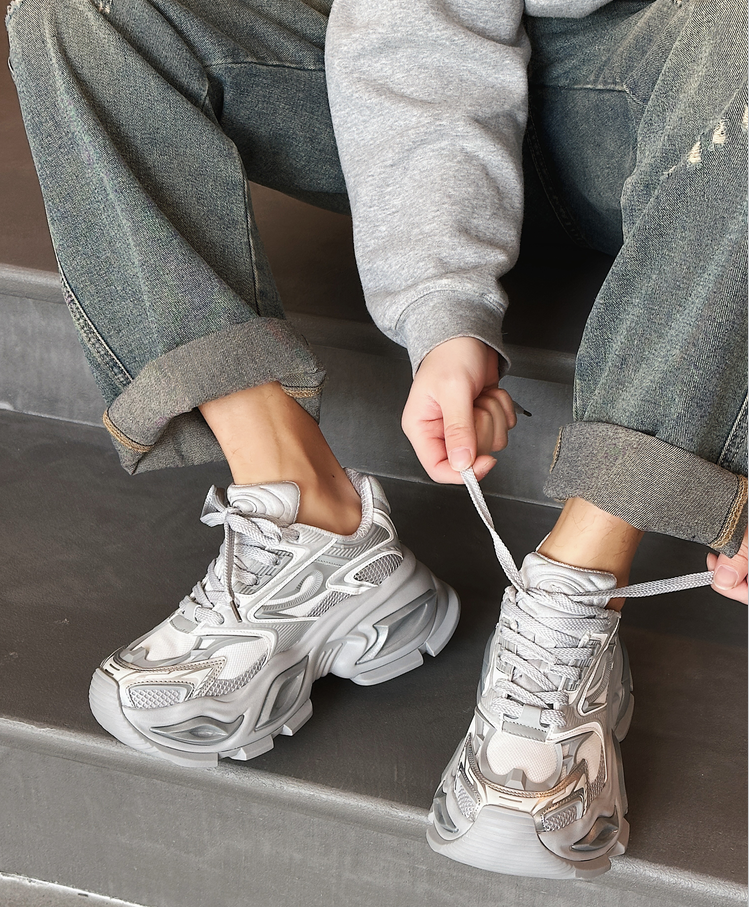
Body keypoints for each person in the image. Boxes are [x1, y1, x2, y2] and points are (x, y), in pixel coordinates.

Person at [6, 0, 746, 880]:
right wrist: (443, 312)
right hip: (445, 101)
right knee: (85, 10)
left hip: (699, 121)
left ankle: (579, 586)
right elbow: (418, 28)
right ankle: (308, 515)